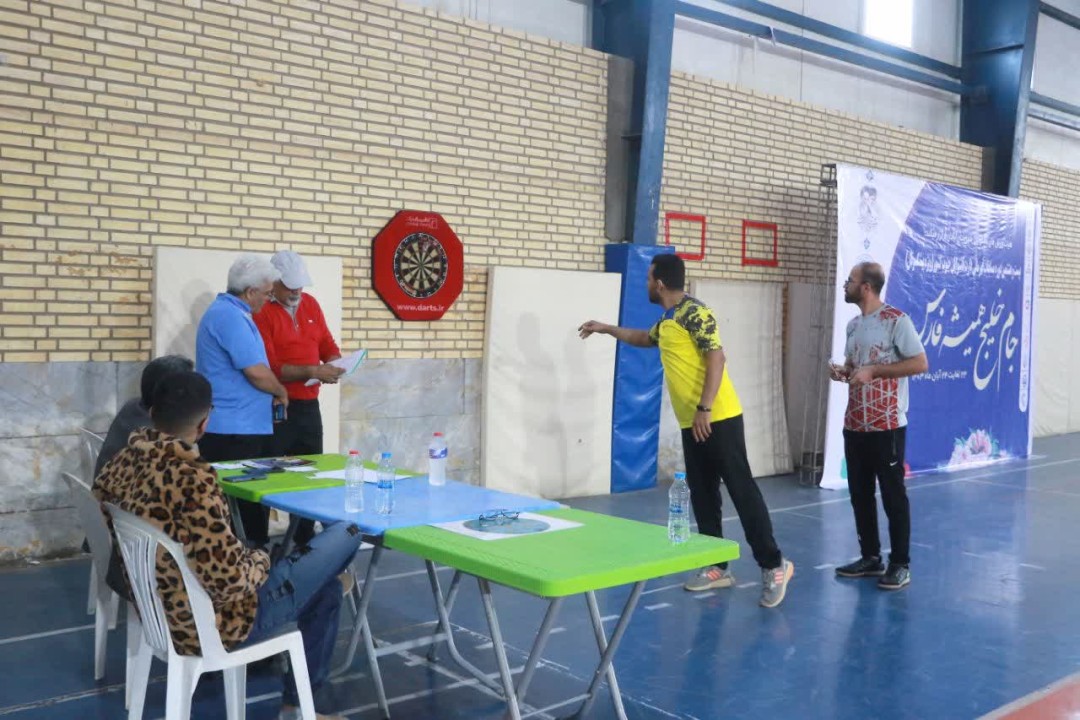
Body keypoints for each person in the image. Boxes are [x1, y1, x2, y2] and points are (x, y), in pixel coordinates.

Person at [94, 371, 361, 720]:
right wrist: (260, 560)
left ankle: (298, 697)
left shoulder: (122, 463)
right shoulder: (194, 480)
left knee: (325, 589)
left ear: (153, 413)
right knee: (347, 532)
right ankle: (298, 704)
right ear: (204, 423)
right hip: (214, 623)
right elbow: (228, 580)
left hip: (157, 610)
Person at [579, 253, 794, 608]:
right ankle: (717, 565)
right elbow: (641, 338)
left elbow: (717, 357)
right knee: (703, 494)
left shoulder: (695, 312)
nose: (647, 284)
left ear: (660, 283)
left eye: (649, 278)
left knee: (741, 491)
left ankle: (774, 565)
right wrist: (606, 328)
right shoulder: (668, 320)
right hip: (691, 422)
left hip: (718, 417)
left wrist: (705, 408)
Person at [829, 262, 928, 591]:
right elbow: (855, 366)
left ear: (866, 287)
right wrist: (843, 372)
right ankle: (870, 557)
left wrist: (875, 371)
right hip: (855, 424)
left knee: (892, 496)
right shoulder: (854, 326)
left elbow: (920, 363)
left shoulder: (896, 321)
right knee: (859, 495)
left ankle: (900, 564)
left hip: (887, 426)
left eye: (850, 280)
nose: (846, 284)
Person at [196, 253, 290, 547]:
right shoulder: (229, 317)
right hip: (235, 432)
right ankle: (250, 566)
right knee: (245, 517)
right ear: (250, 292)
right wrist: (280, 391)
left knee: (244, 512)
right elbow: (256, 372)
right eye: (267, 293)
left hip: (239, 427)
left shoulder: (229, 313)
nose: (268, 300)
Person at [254, 251, 345, 545]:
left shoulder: (311, 304)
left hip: (308, 407)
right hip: (276, 406)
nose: (296, 292)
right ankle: (258, 544)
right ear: (274, 283)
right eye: (290, 286)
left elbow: (326, 343)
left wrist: (336, 362)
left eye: (300, 285)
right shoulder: (262, 312)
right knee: (270, 476)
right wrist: (313, 370)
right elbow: (270, 367)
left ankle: (305, 542)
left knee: (310, 474)